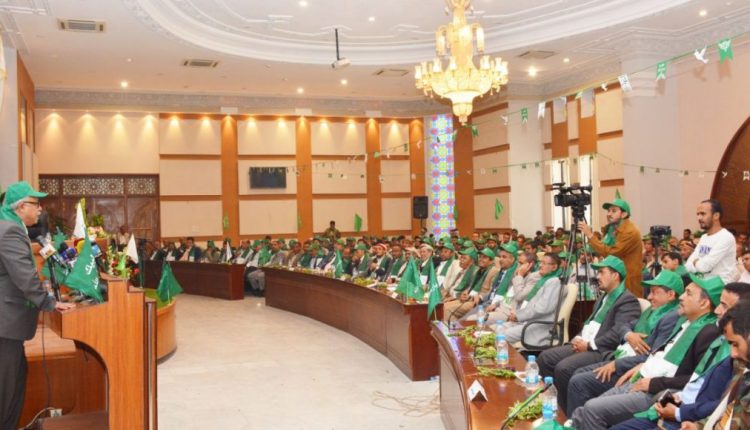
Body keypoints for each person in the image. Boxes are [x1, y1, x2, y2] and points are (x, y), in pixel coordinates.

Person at [569, 274, 724, 430]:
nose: (682, 297)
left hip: (656, 390)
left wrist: (652, 382)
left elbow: (693, 379)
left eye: (688, 294)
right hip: (641, 373)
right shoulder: (684, 321)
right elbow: (658, 351)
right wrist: (641, 364)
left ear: (704, 303)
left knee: (591, 408)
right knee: (584, 410)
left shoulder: (707, 332)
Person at [610, 282, 750, 430]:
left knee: (596, 410)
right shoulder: (713, 335)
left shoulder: (735, 355)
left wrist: (681, 414)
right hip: (684, 407)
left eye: (725, 306)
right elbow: (717, 398)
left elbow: (725, 406)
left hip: (685, 410)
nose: (717, 310)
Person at [0, 181, 75, 430]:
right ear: (21, 206)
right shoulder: (9, 231)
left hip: (8, 327)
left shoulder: (11, 226)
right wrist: (49, 302)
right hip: (5, 327)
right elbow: (24, 277)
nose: (40, 209)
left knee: (14, 386)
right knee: (6, 393)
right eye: (36, 203)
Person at [565, 270, 684, 415]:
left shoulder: (671, 319)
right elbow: (624, 326)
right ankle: (580, 419)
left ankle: (579, 420)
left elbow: (650, 356)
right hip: (622, 356)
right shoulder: (652, 311)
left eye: (654, 292)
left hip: (630, 367)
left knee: (579, 382)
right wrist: (629, 335)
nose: (649, 297)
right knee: (578, 374)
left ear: (671, 295)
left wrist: (616, 364)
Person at [538, 255, 642, 414]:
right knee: (545, 358)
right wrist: (577, 338)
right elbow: (589, 323)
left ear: (615, 275)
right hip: (584, 343)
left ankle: (567, 414)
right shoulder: (603, 297)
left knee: (563, 368)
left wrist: (589, 345)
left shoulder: (628, 301)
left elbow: (617, 333)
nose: (597, 277)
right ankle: (554, 403)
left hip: (601, 349)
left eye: (601, 272)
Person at [578, 198, 644, 297]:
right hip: (615, 277)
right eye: (608, 211)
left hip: (628, 280)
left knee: (627, 304)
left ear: (624, 214)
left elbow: (611, 253)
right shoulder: (612, 228)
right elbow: (600, 247)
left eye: (613, 211)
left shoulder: (630, 231)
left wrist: (590, 235)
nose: (609, 214)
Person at [497, 253, 565, 346]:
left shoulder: (554, 282)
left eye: (544, 263)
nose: (540, 265)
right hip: (527, 320)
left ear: (554, 267)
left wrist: (518, 316)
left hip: (539, 325)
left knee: (501, 335)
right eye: (541, 262)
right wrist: (517, 314)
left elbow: (541, 309)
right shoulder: (544, 279)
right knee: (497, 328)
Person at [685, 199, 738, 283]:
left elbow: (704, 267)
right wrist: (698, 263)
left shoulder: (726, 237)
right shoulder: (704, 237)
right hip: (702, 282)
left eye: (703, 214)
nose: (699, 218)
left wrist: (695, 262)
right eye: (698, 214)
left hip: (719, 286)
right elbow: (688, 266)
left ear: (716, 216)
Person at [443, 248, 499, 321]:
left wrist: (480, 296)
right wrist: (465, 292)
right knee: (444, 305)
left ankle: (452, 328)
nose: (481, 259)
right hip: (469, 298)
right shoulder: (478, 270)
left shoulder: (494, 271)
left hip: (479, 302)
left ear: (491, 261)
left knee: (448, 309)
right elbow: (471, 287)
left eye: (484, 257)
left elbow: (493, 291)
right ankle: (453, 326)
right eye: (480, 257)